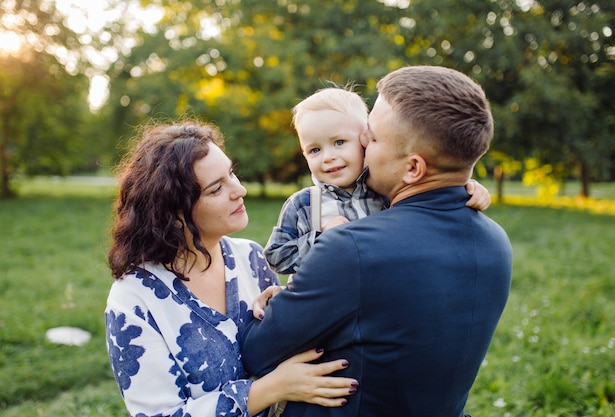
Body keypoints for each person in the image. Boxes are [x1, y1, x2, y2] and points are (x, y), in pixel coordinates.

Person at [241, 66, 513, 417]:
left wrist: (281, 305)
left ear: (413, 168)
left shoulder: (350, 248)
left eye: (372, 137)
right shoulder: (496, 241)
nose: (363, 144)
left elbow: (257, 352)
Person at [104, 121, 359, 417]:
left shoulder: (251, 257)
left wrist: (285, 301)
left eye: (232, 173)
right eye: (216, 189)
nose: (240, 190)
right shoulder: (133, 300)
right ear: (173, 214)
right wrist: (272, 388)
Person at [264, 86, 492, 275]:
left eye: (340, 142)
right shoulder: (304, 204)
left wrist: (466, 188)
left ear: (364, 138)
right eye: (314, 150)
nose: (328, 156)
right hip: (331, 302)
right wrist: (322, 241)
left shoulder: (385, 191)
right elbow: (275, 257)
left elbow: (430, 190)